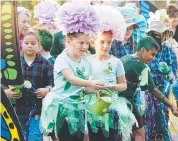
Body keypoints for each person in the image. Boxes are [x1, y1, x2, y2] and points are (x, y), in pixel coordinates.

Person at [40, 2, 105, 141]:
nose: (85, 46)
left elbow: (83, 89)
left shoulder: (85, 62)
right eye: (81, 43)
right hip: (63, 109)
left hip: (79, 108)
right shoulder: (62, 59)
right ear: (69, 40)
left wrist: (97, 89)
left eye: (87, 43)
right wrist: (90, 82)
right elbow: (71, 79)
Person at [86, 4, 137, 141]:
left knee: (111, 137)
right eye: (102, 42)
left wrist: (111, 86)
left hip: (111, 106)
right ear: (93, 41)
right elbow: (80, 85)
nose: (105, 46)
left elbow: (123, 85)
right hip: (90, 107)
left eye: (109, 42)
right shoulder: (86, 61)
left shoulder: (116, 62)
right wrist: (92, 89)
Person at [119, 36, 178, 141]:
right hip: (126, 103)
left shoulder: (126, 58)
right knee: (140, 134)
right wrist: (171, 105)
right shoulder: (140, 65)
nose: (153, 58)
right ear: (142, 50)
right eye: (152, 54)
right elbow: (154, 90)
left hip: (116, 101)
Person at [16, 30, 54, 141]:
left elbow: (53, 82)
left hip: (37, 110)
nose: (29, 46)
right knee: (19, 137)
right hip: (17, 109)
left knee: (35, 137)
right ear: (21, 45)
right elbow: (4, 82)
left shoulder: (45, 63)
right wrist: (8, 92)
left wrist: (47, 89)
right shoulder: (16, 62)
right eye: (26, 43)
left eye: (33, 43)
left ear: (39, 46)